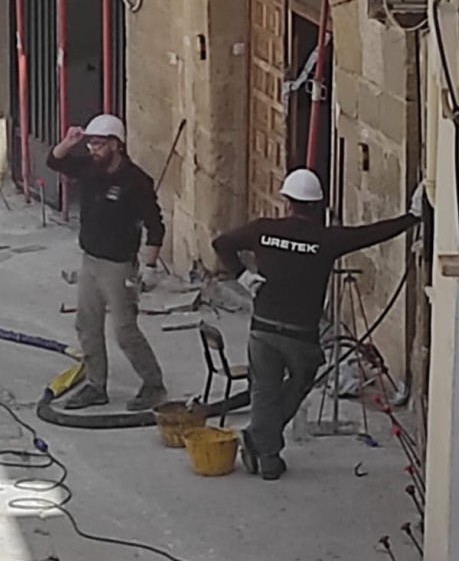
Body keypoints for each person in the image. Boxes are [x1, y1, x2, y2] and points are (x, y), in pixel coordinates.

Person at [212, 168, 424, 481]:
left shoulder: (262, 229)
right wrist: (413, 216)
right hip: (301, 336)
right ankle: (263, 444)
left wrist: (242, 275)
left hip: (264, 328)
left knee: (264, 392)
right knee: (301, 381)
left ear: (287, 202)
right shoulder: (327, 238)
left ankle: (265, 451)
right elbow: (373, 232)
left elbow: (221, 243)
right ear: (318, 206)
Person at [47, 114, 168, 412]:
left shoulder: (136, 181)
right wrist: (69, 142)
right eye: (91, 145)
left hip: (119, 266)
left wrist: (150, 267)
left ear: (117, 145)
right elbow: (55, 161)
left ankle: (153, 385)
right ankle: (95, 386)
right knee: (87, 325)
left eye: (99, 145)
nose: (93, 150)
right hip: (90, 261)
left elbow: (156, 225)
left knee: (125, 330)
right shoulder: (90, 169)